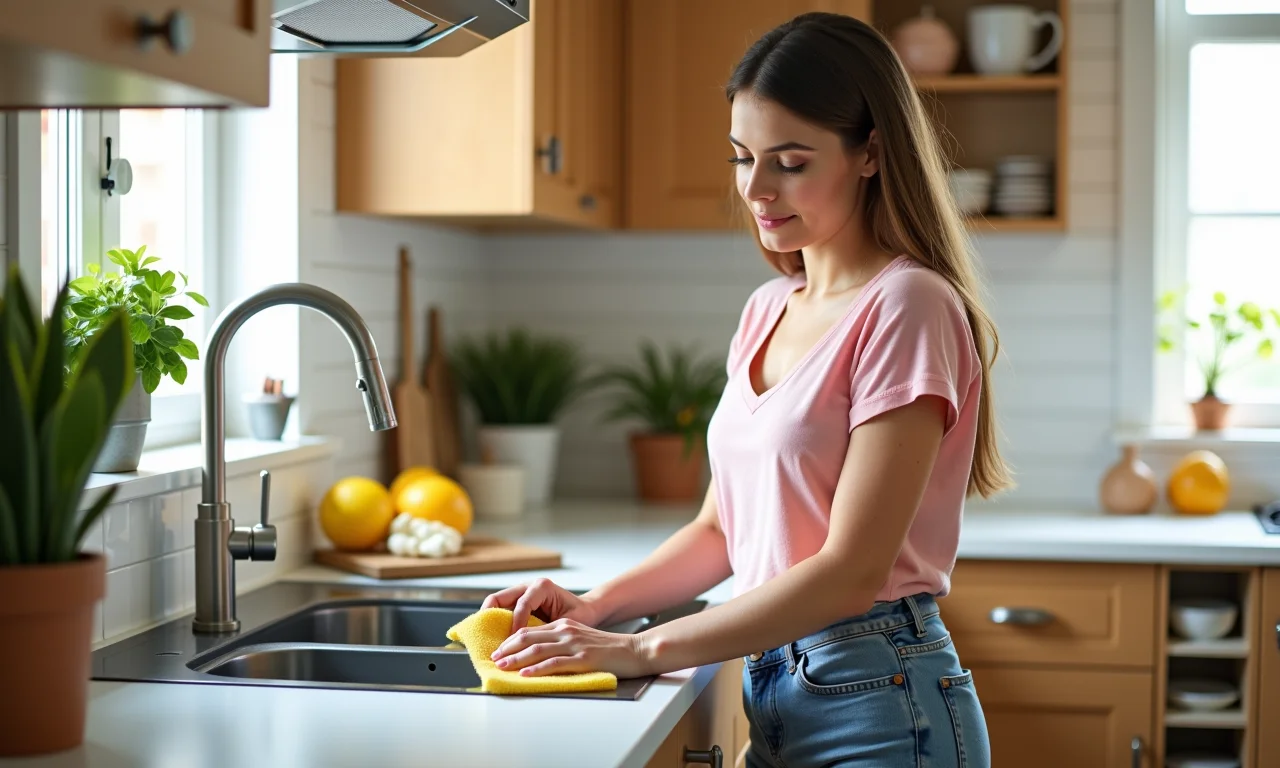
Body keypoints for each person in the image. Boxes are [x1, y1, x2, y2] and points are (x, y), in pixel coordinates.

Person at [482, 12, 1012, 767]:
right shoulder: (768, 309)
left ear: (870, 153)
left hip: (883, 703)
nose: (757, 189)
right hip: (778, 690)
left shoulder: (909, 305)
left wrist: (638, 647)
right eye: (742, 157)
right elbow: (722, 531)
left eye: (790, 162)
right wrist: (596, 607)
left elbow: (851, 572)